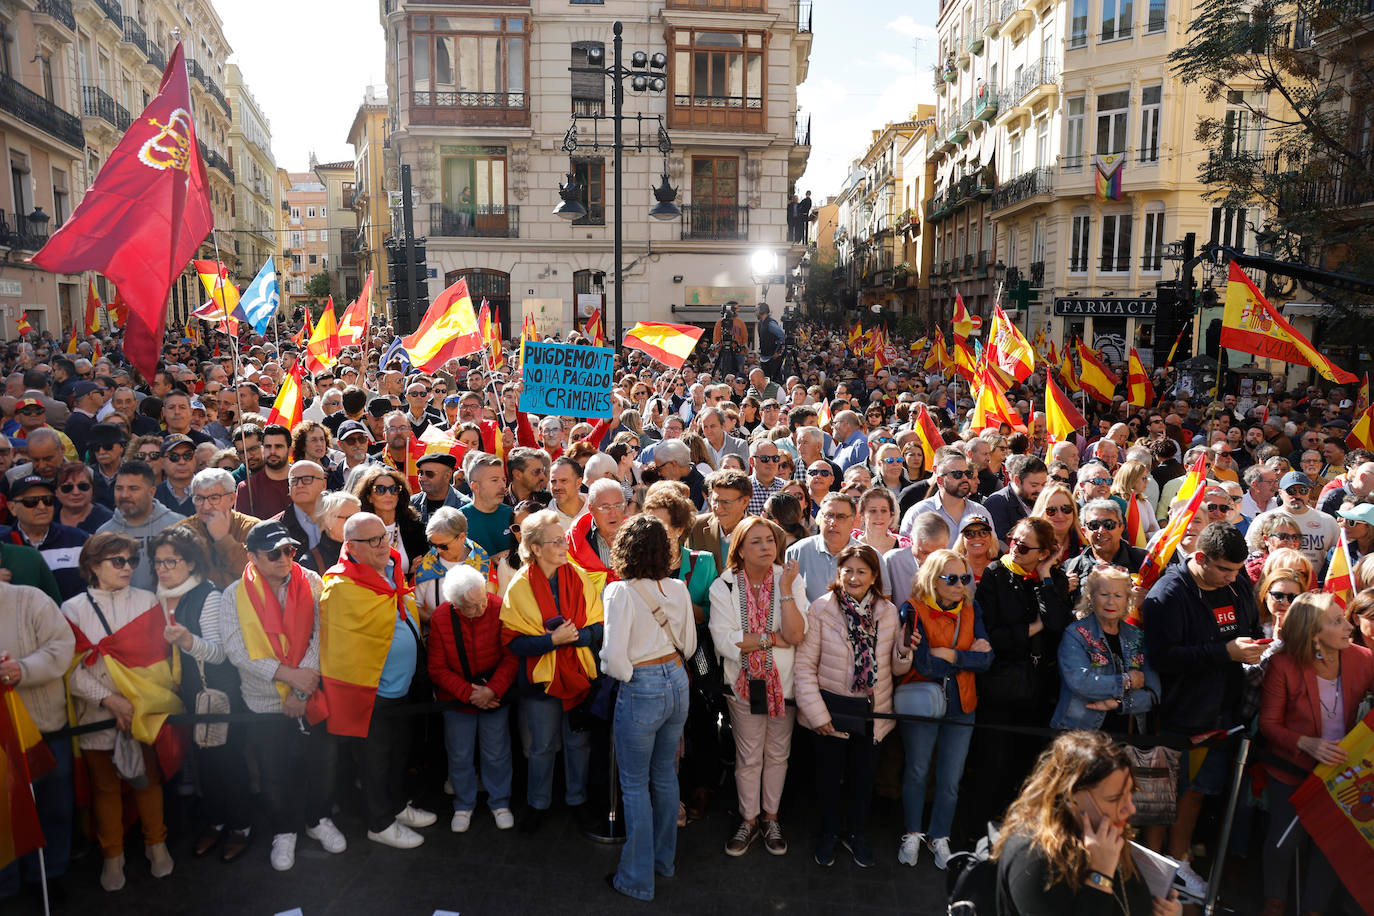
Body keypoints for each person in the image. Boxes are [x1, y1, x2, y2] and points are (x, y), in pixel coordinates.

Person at [1141, 522, 1264, 891]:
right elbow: (1162, 658)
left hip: (1223, 710)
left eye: (1237, 571)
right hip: (1177, 713)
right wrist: (1223, 652)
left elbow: (1249, 626)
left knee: (1196, 793)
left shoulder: (1237, 584)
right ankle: (1151, 873)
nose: (1231, 579)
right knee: (1159, 799)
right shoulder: (1168, 594)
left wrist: (1253, 648)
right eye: (1224, 569)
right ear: (1198, 558)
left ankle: (1179, 866)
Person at [219, 519, 344, 872]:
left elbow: (321, 635)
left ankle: (317, 819)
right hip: (263, 700)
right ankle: (284, 830)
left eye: (289, 550)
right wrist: (290, 678)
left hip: (310, 693)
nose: (284, 558)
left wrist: (302, 691)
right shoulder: (233, 594)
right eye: (273, 553)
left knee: (323, 763)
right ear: (253, 556)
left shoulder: (312, 581)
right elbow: (237, 652)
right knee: (274, 772)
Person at [62, 532, 177, 892]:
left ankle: (156, 844)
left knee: (148, 780)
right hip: (96, 714)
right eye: (118, 561)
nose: (127, 568)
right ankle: (113, 855)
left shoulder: (148, 602)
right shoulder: (71, 609)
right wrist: (108, 699)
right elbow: (70, 669)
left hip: (144, 710)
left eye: (131, 561)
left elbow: (160, 660)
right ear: (94, 566)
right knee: (106, 789)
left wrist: (136, 700)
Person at [320, 512, 435, 849]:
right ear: (350, 547)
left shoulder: (391, 566)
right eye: (373, 541)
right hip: (371, 692)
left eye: (384, 536)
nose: (383, 545)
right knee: (374, 761)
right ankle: (379, 822)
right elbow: (341, 646)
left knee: (399, 754)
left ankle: (396, 806)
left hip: (402, 687)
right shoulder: (340, 586)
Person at [794, 544, 912, 868]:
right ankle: (829, 833)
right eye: (848, 570)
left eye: (862, 571)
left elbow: (896, 669)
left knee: (864, 780)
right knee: (829, 780)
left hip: (872, 713)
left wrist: (903, 651)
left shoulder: (887, 612)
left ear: (874, 576)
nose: (854, 577)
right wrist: (817, 715)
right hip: (831, 711)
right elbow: (804, 668)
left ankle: (856, 832)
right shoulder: (820, 609)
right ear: (838, 572)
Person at [1258, 593, 1374, 916]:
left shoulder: (1363, 658)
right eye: (1337, 621)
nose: (1348, 625)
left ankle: (1314, 910)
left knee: (1331, 844)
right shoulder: (1283, 665)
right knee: (1284, 841)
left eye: (1344, 618)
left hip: (1341, 773)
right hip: (1292, 768)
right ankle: (1274, 902)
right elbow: (1268, 725)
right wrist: (1306, 742)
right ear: (1313, 634)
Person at [601, 515, 696, 901]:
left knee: (635, 785)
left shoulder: (619, 592)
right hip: (677, 680)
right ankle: (663, 861)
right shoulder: (677, 587)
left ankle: (637, 879)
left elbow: (613, 659)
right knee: (665, 775)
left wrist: (630, 676)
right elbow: (688, 645)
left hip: (642, 686)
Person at [965, 516, 1073, 840]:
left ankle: (1014, 833)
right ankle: (976, 832)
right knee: (991, 763)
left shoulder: (1054, 577)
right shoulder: (997, 574)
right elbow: (991, 633)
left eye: (1024, 547)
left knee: (1025, 764)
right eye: (1013, 539)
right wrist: (1031, 629)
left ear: (1043, 554)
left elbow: (1057, 621)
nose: (1014, 548)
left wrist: (1043, 576)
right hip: (1001, 683)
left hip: (1038, 687)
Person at [993, 730, 1182, 916]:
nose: (1130, 809)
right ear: (1071, 797)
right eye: (1114, 798)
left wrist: (1164, 910)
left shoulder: (1105, 833)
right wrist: (1100, 875)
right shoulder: (1033, 858)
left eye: (1131, 793)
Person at [149, 526, 252, 863]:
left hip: (216, 693)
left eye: (171, 562)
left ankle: (240, 825)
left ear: (191, 563)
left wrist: (187, 642)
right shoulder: (158, 595)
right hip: (184, 695)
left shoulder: (209, 596)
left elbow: (221, 653)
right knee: (205, 763)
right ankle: (216, 819)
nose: (163, 569)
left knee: (227, 762)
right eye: (159, 562)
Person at [500, 509, 605, 833]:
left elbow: (599, 627)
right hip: (539, 682)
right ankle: (538, 804)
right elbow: (513, 642)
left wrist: (576, 637)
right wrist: (552, 641)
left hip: (577, 676)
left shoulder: (579, 576)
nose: (564, 545)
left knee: (578, 743)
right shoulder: (519, 586)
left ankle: (577, 800)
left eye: (563, 539)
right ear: (534, 547)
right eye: (556, 541)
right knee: (542, 745)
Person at [709, 516, 808, 857]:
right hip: (743, 687)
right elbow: (725, 642)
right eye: (757, 541)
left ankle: (771, 817)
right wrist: (770, 639)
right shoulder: (723, 586)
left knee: (778, 754)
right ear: (740, 548)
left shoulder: (789, 580)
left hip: (785, 686)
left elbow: (796, 635)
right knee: (749, 756)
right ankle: (749, 820)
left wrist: (784, 594)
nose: (767, 546)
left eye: (770, 540)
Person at [894, 549, 991, 869]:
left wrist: (950, 657)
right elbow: (921, 663)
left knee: (951, 778)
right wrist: (966, 658)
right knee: (918, 771)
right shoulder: (912, 609)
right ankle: (912, 832)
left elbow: (987, 660)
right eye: (952, 579)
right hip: (923, 702)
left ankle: (940, 836)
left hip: (963, 704)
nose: (960, 585)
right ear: (932, 580)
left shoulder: (972, 608)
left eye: (965, 578)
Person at [428, 564, 517, 834]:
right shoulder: (442, 617)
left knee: (497, 752)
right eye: (472, 607)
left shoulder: (498, 606)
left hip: (494, 694)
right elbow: (437, 668)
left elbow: (511, 657)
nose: (481, 610)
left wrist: (492, 690)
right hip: (456, 699)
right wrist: (470, 693)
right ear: (455, 604)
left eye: (482, 602)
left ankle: (500, 803)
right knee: (460, 754)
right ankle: (463, 804)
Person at [0, 580, 75, 900]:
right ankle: (7, 883)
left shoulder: (30, 599)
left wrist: (22, 669)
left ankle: (47, 875)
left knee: (53, 806)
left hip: (44, 728)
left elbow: (61, 647)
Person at [1052, 565, 1160, 731]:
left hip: (1127, 739)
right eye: (1104, 594)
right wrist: (1128, 681)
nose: (1111, 601)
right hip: (1081, 735)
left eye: (1118, 595)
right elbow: (1080, 682)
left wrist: (1118, 704)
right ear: (1091, 597)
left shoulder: (1137, 636)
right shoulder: (1076, 634)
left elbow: (1153, 694)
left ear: (1127, 599)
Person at [96, 459, 186, 592]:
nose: (125, 495)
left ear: (152, 492)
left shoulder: (177, 526)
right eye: (119, 488)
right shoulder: (104, 534)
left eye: (133, 489)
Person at [173, 468, 259, 589]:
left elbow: (256, 574)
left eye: (214, 498)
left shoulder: (253, 528)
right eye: (199, 499)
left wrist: (224, 539)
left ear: (232, 499)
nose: (206, 506)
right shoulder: (182, 532)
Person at [412, 507, 491, 621]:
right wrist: (437, 624)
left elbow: (491, 605)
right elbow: (414, 605)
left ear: (462, 537)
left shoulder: (482, 562)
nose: (438, 551)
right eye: (433, 545)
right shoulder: (426, 564)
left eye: (443, 546)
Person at [350, 465, 427, 576]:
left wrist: (412, 575)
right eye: (380, 490)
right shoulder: (359, 531)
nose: (388, 494)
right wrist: (408, 575)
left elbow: (423, 570)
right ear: (369, 497)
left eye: (393, 489)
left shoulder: (416, 529)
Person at [787, 492, 860, 603]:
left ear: (853, 521)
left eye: (841, 517)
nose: (833, 522)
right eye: (829, 515)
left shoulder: (868, 555)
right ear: (820, 518)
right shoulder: (797, 552)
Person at [983, 455, 1048, 543]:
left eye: (1044, 484)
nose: (1040, 490)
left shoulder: (1045, 500)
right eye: (1034, 485)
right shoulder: (997, 503)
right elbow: (1003, 545)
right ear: (1017, 480)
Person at [234, 424, 292, 519]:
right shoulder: (246, 487)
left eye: (253, 449)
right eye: (242, 452)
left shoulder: (302, 478)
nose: (248, 456)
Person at [56, 460, 114, 533]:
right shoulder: (48, 517)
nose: (76, 492)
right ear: (56, 491)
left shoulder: (109, 521)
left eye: (83, 486)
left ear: (92, 489)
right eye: (67, 487)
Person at [855, 487, 907, 555]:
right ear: (861, 515)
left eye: (884, 511)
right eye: (873, 511)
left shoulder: (905, 548)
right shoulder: (847, 544)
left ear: (891, 515)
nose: (879, 517)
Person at [952, 515, 999, 584]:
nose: (977, 538)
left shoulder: (1000, 570)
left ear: (991, 537)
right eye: (969, 534)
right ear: (962, 539)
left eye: (983, 532)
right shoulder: (953, 570)